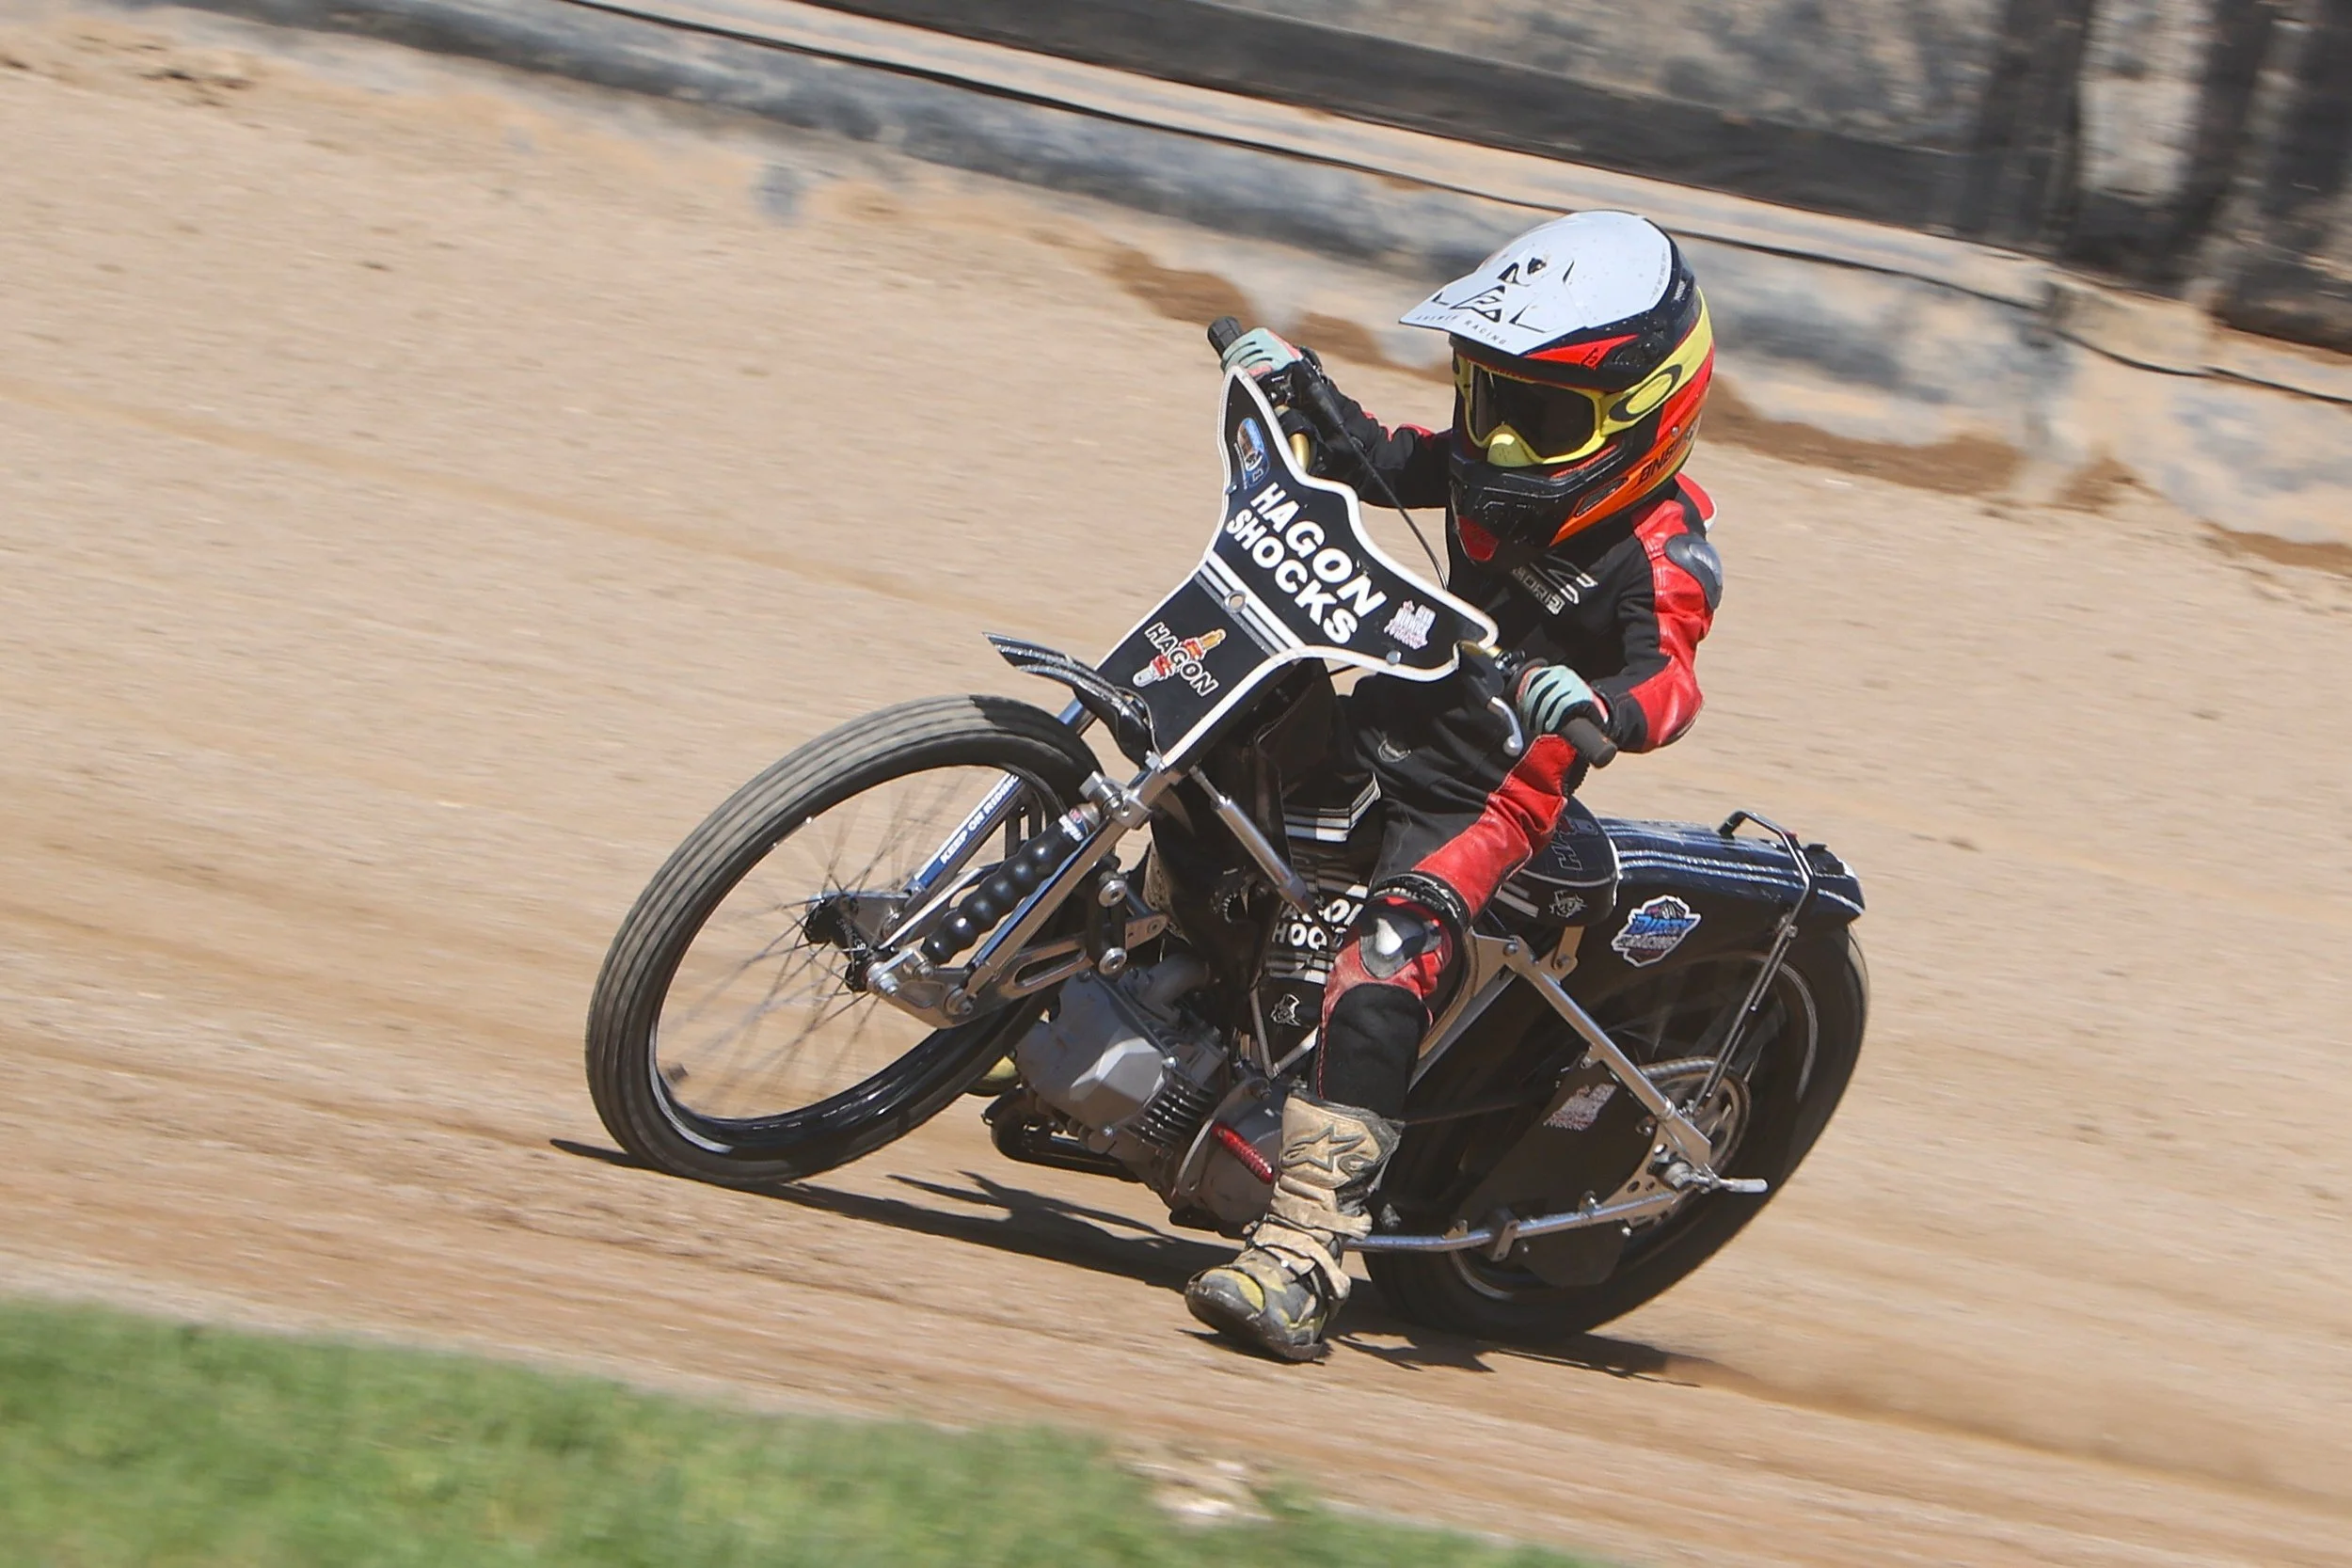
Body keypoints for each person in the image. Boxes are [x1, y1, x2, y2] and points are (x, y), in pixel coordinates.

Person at [1184, 210, 1724, 1361]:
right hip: (1387, 704)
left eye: (1539, 416)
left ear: (1646, 412)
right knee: (1209, 747)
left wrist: (1592, 708)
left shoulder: (1664, 546)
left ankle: (1304, 1250)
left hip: (1491, 790)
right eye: (1489, 401)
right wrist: (1298, 390)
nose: (1501, 446)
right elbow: (1381, 458)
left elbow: (1669, 682)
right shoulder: (1487, 463)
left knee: (1387, 951)